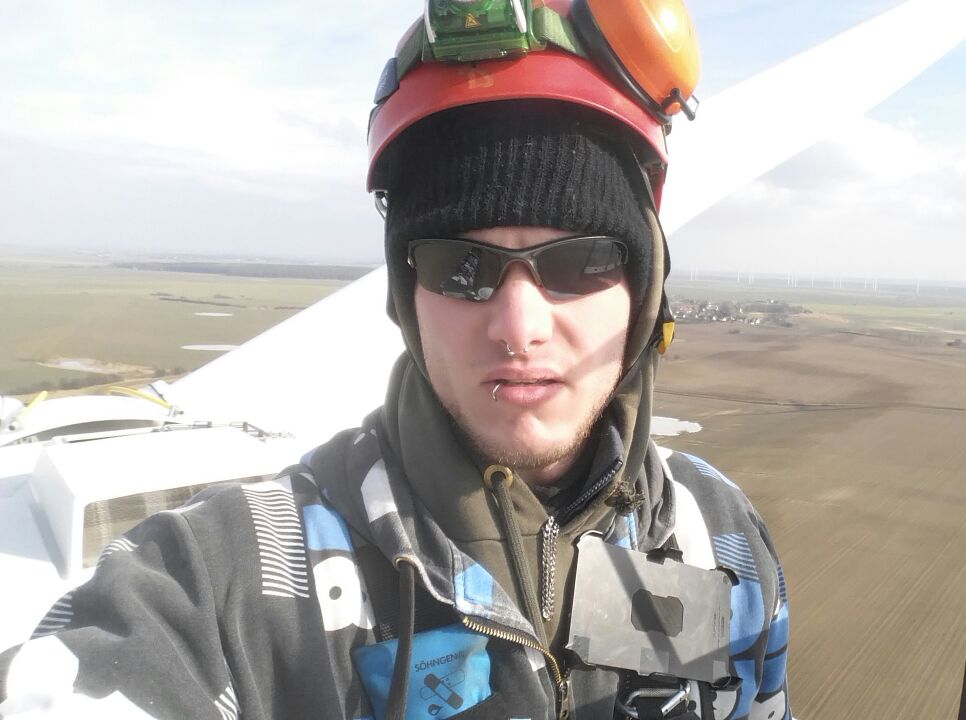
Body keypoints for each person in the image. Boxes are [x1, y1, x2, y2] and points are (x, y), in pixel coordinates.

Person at [0, 1, 790, 718]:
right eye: (461, 267)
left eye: (579, 261)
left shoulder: (718, 535)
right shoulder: (226, 582)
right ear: (408, 297)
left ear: (643, 290)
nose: (518, 327)